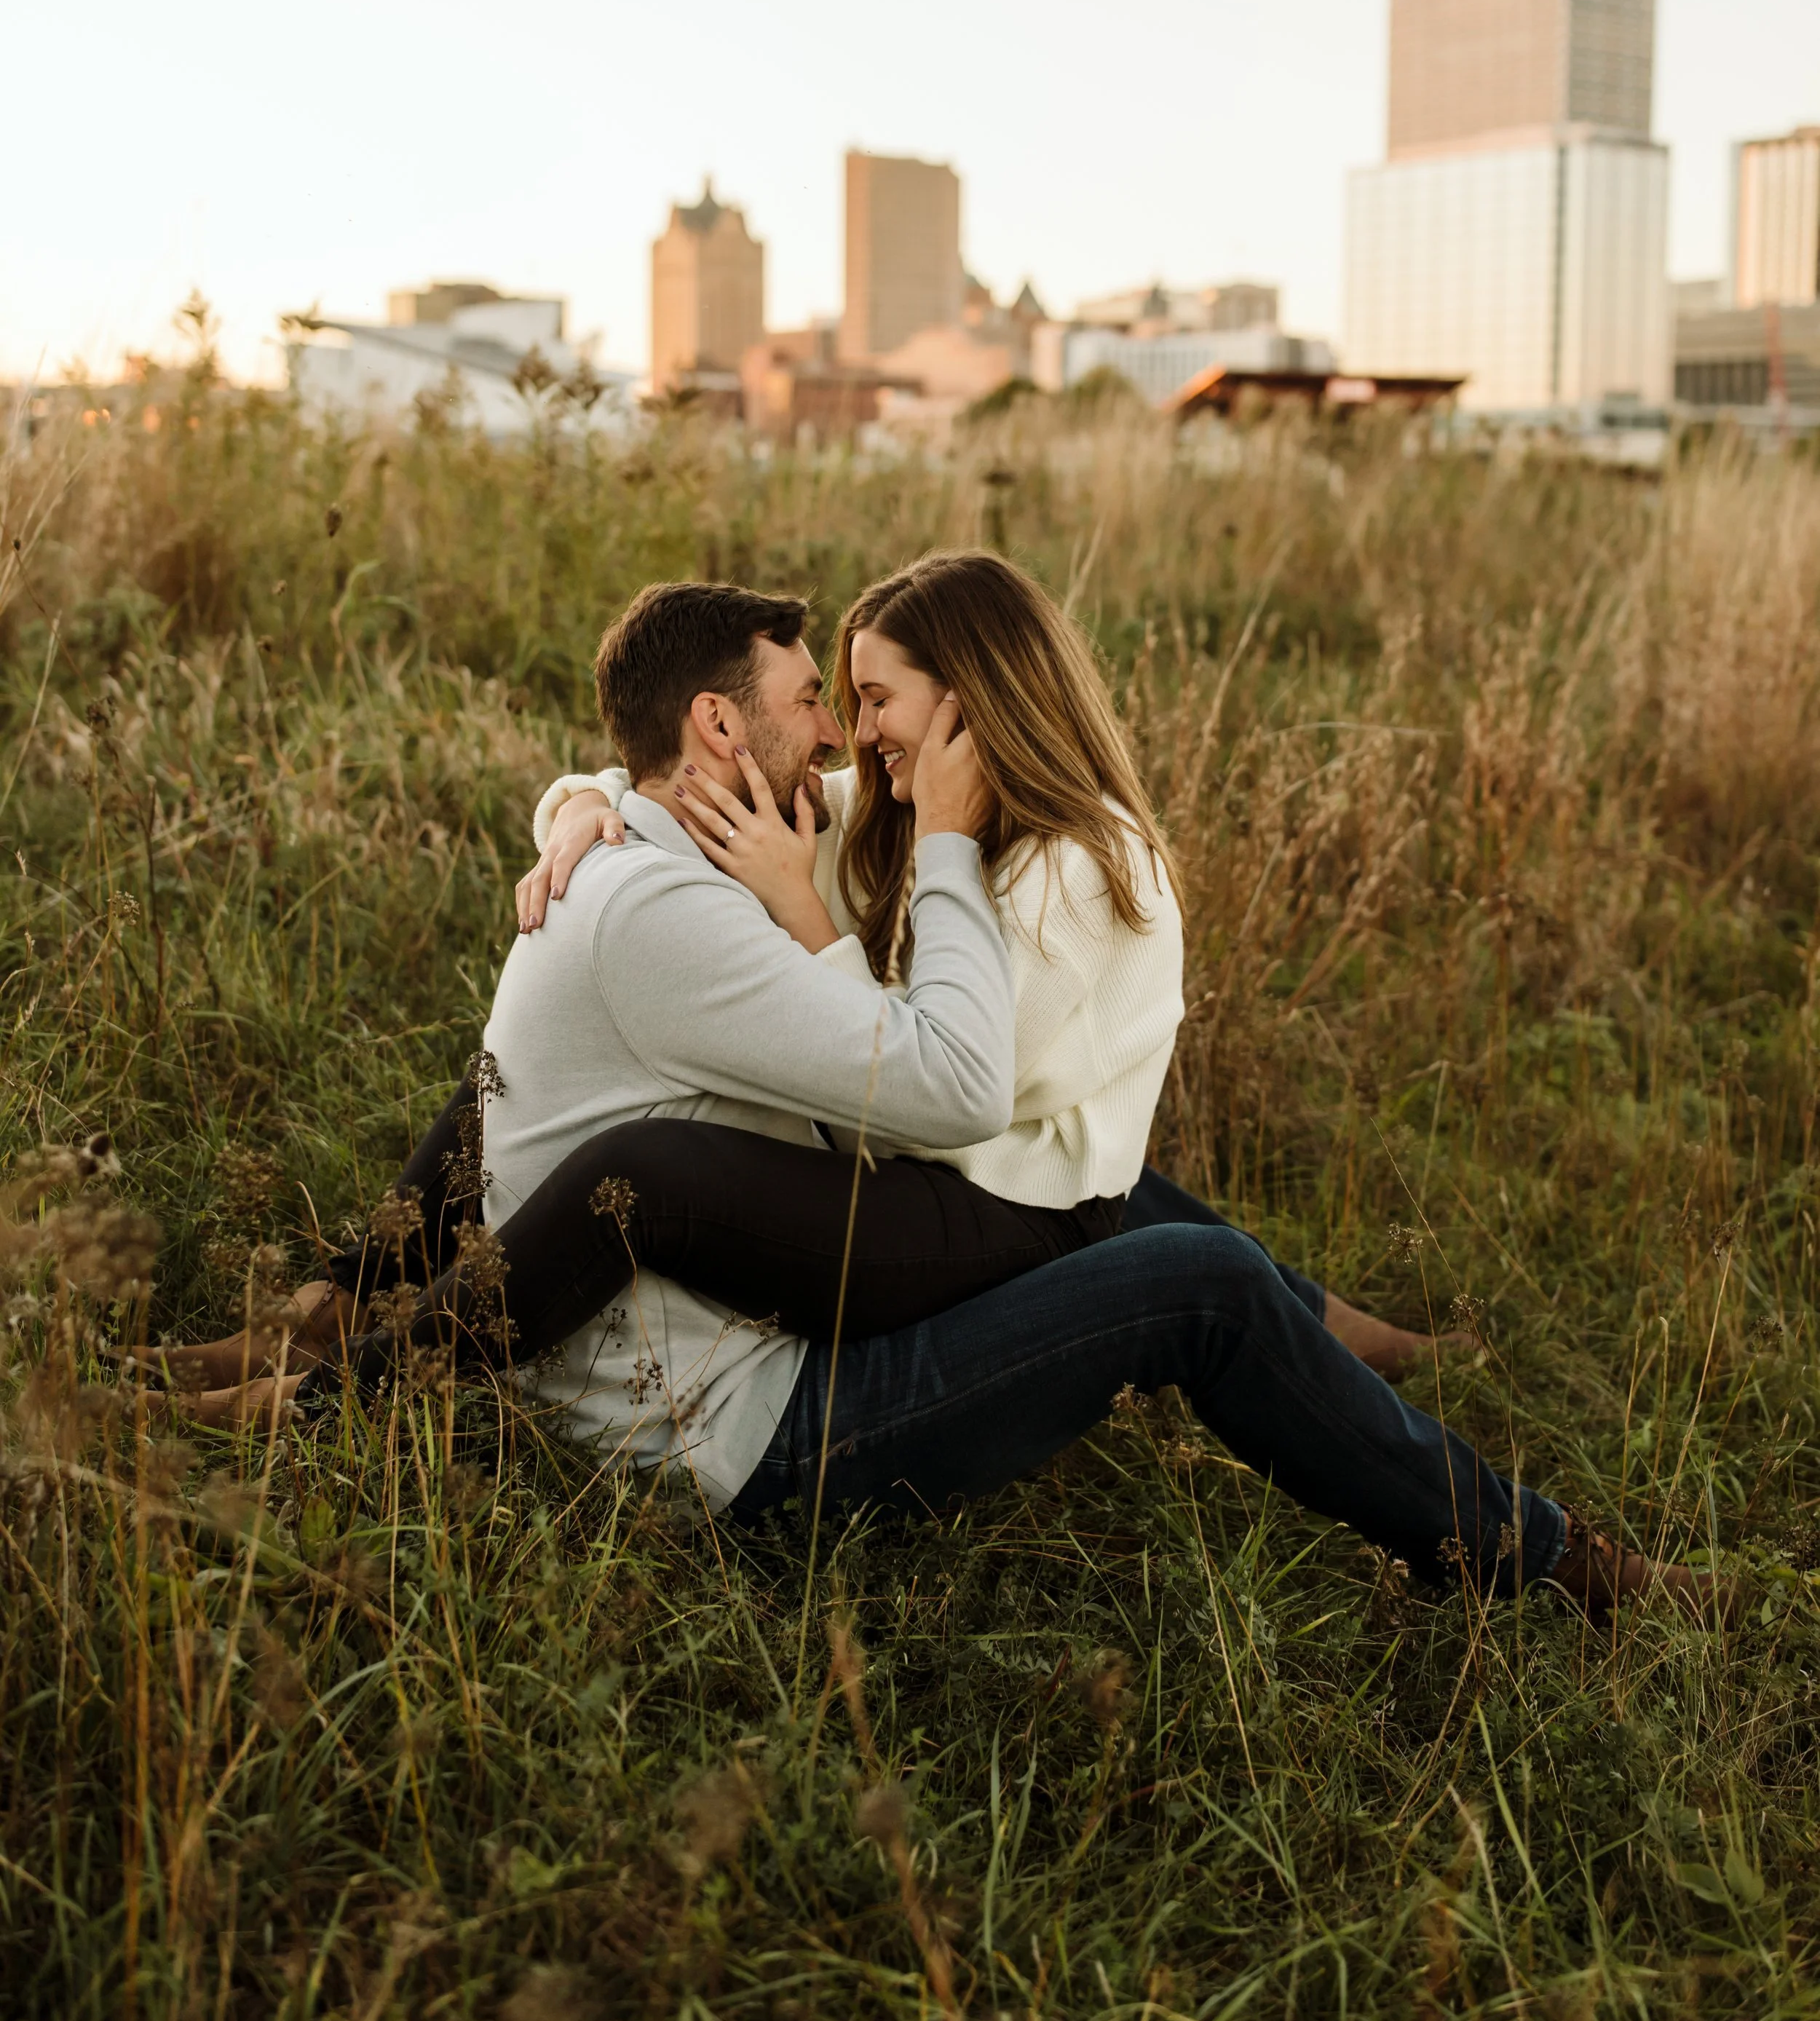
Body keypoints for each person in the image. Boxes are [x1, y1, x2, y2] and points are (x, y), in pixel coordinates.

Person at [154, 574, 1709, 1618]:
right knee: (1188, 1270)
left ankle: (1361, 1357)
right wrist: (600, 807)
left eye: (872, 698)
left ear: (967, 707)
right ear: (721, 728)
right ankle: (1532, 1555)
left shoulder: (1060, 870)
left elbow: (975, 1108)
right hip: (768, 1423)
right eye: (821, 698)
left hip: (870, 1259)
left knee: (1111, 1204)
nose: (844, 734)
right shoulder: (795, 853)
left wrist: (654, 829)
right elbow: (947, 1088)